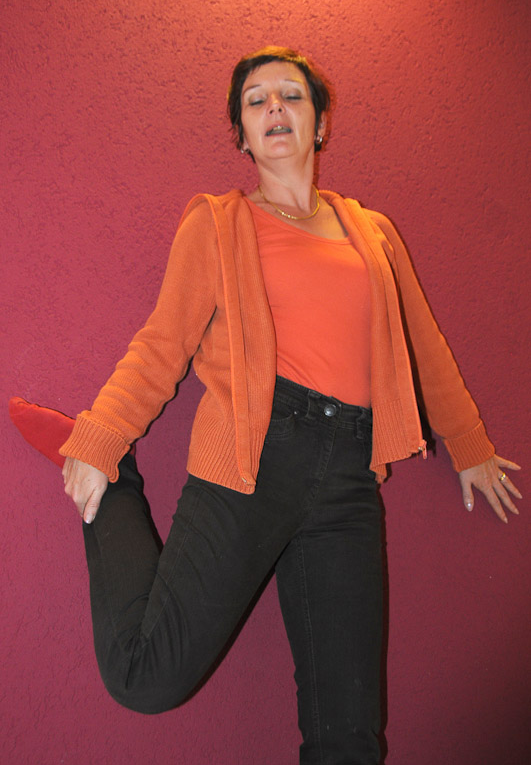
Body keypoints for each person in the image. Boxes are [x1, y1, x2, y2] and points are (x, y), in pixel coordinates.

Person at [10, 46, 522, 765]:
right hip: (250, 463)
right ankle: (120, 487)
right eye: (256, 101)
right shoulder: (218, 224)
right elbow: (163, 344)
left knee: (349, 733)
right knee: (145, 677)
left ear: (320, 124)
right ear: (242, 136)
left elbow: (423, 343)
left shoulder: (372, 232)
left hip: (348, 479)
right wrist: (101, 440)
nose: (274, 107)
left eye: (291, 95)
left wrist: (467, 445)